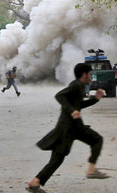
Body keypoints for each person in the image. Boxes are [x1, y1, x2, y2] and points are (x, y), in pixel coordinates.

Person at [26, 63, 108, 193]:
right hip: (68, 128)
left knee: (59, 157)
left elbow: (78, 104)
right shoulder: (76, 85)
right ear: (84, 74)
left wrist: (95, 99)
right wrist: (71, 111)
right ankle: (91, 171)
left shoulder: (80, 86)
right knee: (95, 140)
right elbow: (59, 95)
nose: (91, 76)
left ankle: (34, 182)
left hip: (74, 126)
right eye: (90, 74)